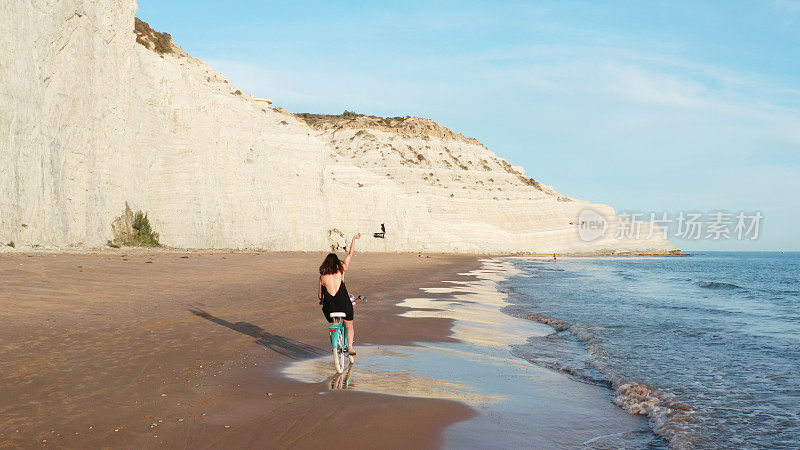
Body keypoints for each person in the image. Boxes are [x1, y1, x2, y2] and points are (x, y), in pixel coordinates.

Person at [318, 233, 361, 356]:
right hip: (344, 305)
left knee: (334, 323)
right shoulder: (341, 271)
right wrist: (353, 239)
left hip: (330, 308)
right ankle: (351, 347)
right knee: (349, 325)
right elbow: (350, 255)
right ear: (337, 262)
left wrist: (322, 300)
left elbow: (320, 296)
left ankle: (335, 344)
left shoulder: (322, 277)